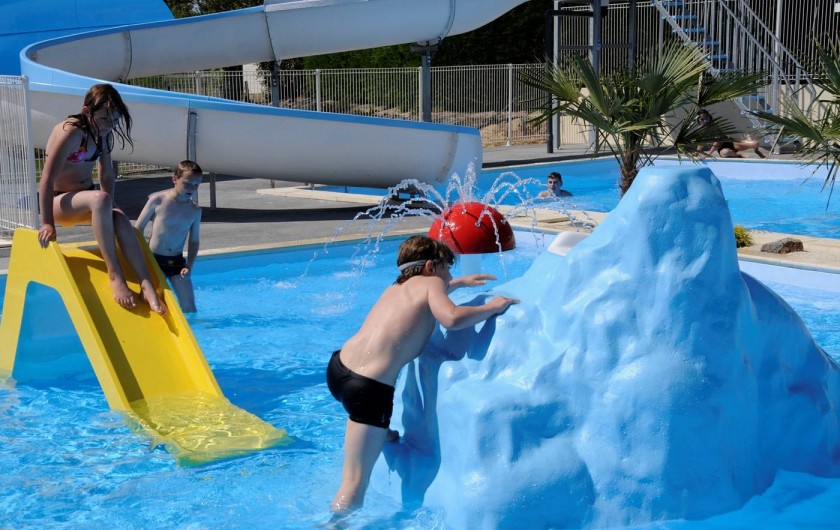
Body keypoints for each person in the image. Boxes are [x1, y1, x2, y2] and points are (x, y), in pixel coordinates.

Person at [326, 235, 519, 513]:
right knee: (354, 482)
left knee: (369, 427)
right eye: (447, 269)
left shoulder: (396, 287)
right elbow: (451, 318)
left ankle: (381, 433)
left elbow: (429, 295)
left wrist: (459, 283)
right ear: (430, 266)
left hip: (339, 369)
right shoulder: (431, 284)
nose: (449, 276)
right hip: (367, 389)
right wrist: (492, 307)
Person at [37, 83, 166, 315]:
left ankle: (146, 284)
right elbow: (46, 178)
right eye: (106, 119)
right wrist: (46, 221)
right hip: (60, 203)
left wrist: (113, 209)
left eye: (115, 120)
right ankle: (115, 275)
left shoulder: (103, 135)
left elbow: (107, 174)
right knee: (100, 199)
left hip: (87, 199)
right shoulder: (71, 132)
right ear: (87, 112)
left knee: (120, 220)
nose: (111, 125)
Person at [134, 160, 203, 313]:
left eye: (196, 185)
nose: (192, 188)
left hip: (177, 263)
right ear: (175, 179)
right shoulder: (158, 200)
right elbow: (138, 228)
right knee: (151, 303)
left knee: (190, 307)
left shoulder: (195, 211)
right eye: (187, 183)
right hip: (154, 260)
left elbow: (194, 241)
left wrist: (189, 266)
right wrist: (141, 256)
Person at [696, 108, 766, 159]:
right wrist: (696, 153)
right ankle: (739, 155)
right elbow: (701, 143)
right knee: (726, 153)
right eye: (702, 119)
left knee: (756, 143)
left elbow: (717, 141)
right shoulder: (700, 131)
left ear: (709, 118)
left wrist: (708, 154)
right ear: (698, 120)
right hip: (721, 148)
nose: (704, 121)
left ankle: (757, 152)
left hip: (731, 142)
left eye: (706, 118)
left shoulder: (714, 127)